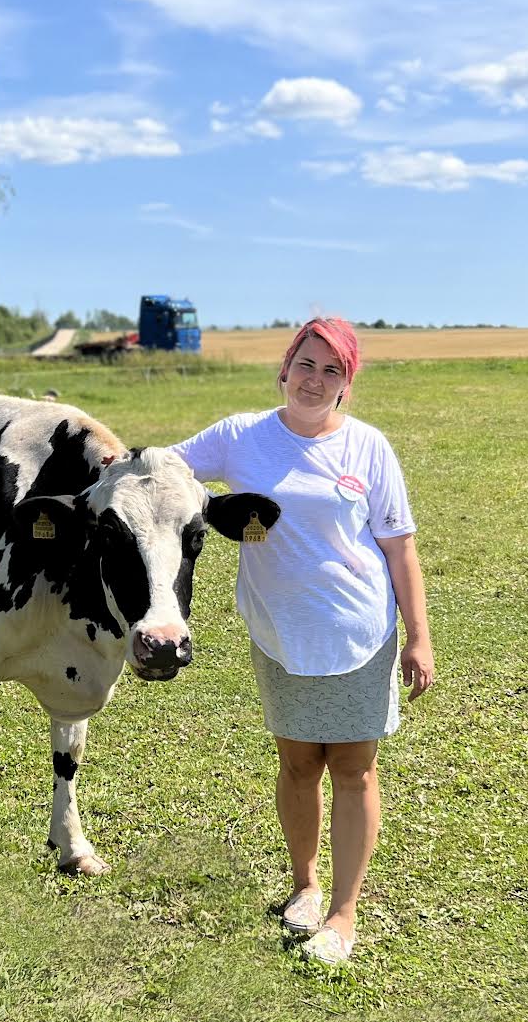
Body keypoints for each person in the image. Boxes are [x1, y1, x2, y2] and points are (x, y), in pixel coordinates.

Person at [170, 316, 435, 965]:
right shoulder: (240, 438)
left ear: (345, 383)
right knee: (296, 766)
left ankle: (344, 911)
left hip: (357, 632)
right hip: (280, 636)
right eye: (306, 364)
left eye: (331, 370)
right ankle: (305, 886)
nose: (314, 379)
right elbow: (163, 470)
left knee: (352, 769)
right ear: (283, 368)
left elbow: (399, 549)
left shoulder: (368, 448)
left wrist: (419, 637)